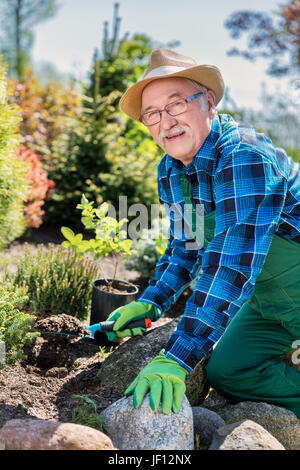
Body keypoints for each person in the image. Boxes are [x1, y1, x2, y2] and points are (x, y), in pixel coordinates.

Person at [88, 48, 300, 418]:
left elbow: (231, 265)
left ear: (209, 102)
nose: (165, 122)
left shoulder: (246, 155)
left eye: (176, 104)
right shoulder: (170, 172)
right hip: (270, 305)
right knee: (228, 371)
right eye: (151, 114)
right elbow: (185, 248)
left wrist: (177, 357)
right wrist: (152, 302)